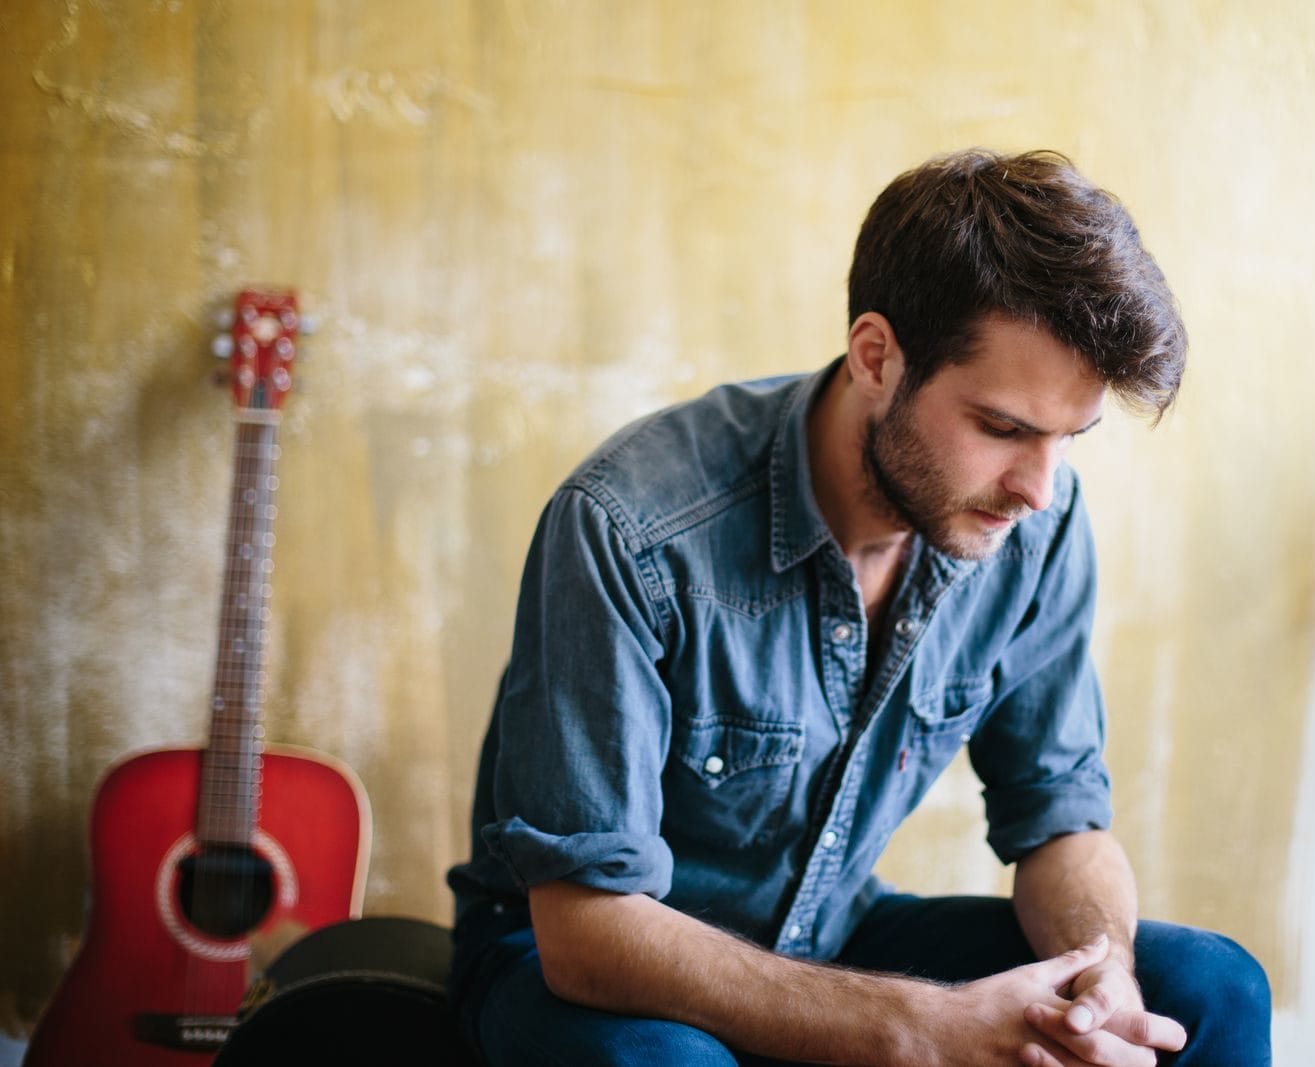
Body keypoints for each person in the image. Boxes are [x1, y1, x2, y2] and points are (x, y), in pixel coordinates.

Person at [446, 148, 1272, 1067]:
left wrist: (1101, 972)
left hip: (827, 933)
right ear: (877, 356)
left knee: (1213, 985)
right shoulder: (630, 528)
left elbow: (1059, 815)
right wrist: (913, 1027)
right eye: (1002, 428)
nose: (1039, 487)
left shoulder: (1033, 521)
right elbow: (584, 930)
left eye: (1068, 439)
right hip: (582, 964)